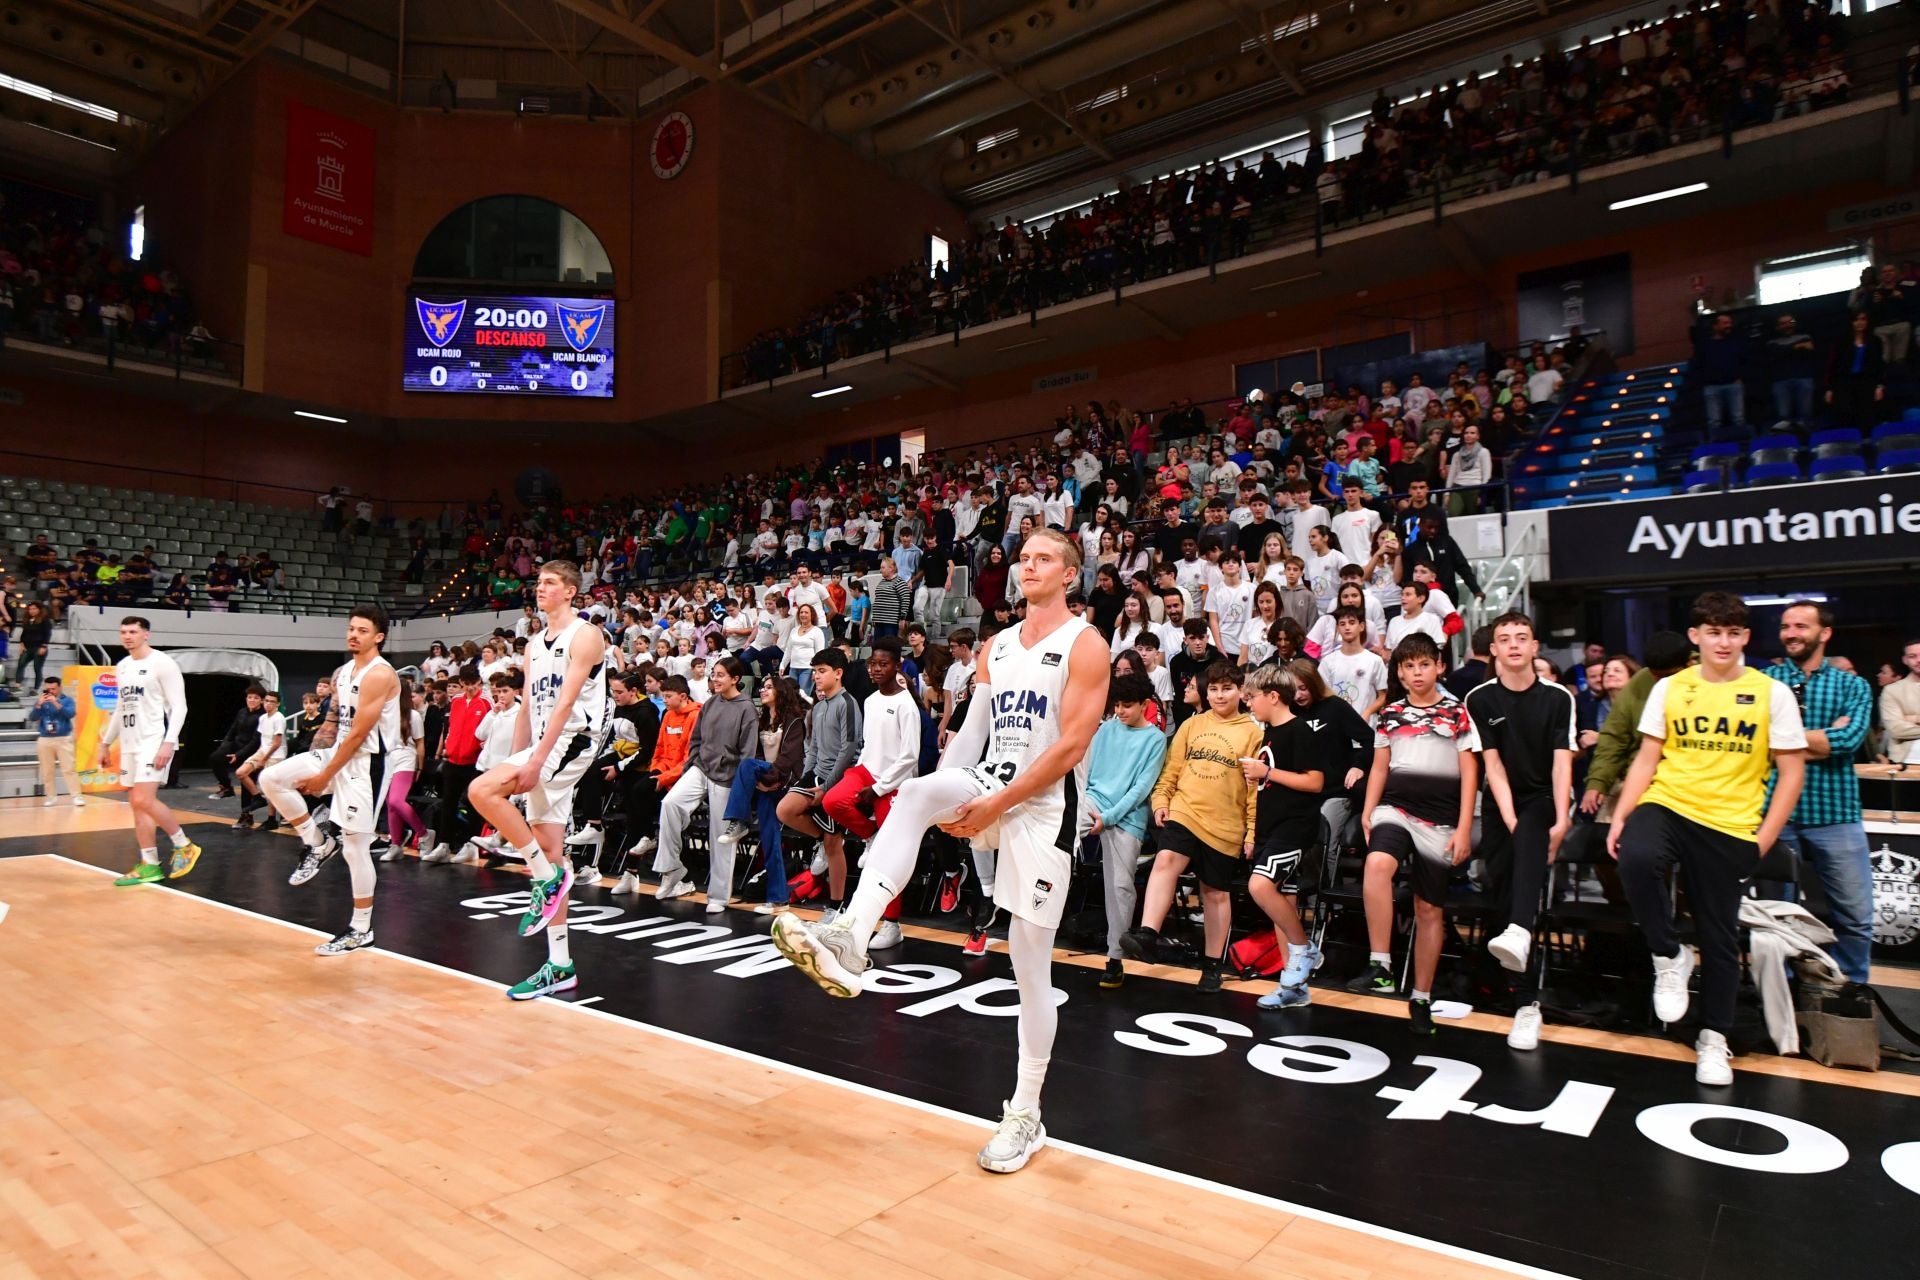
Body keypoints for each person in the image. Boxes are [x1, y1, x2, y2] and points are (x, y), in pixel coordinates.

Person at [772, 528, 1109, 1176]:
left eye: (1043, 558)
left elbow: (1069, 749)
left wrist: (995, 805)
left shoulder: (1084, 644)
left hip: (1045, 808)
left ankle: (1026, 1113)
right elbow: (967, 739)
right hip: (992, 783)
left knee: (1030, 967)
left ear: (1068, 573)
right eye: (1025, 556)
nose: (1028, 565)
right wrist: (943, 799)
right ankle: (851, 935)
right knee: (918, 790)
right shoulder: (999, 646)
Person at [1609, 592, 1806, 1086]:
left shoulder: (1772, 693)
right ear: (1695, 637)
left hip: (1730, 824)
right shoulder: (1672, 688)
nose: (1724, 641)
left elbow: (1792, 772)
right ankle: (1667, 953)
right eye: (1713, 632)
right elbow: (1648, 757)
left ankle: (1713, 1039)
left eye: (1733, 632)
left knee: (1719, 938)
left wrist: (1763, 839)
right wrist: (1622, 814)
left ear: (1745, 637)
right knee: (1634, 857)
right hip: (1670, 804)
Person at [464, 563, 610, 997]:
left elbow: (566, 704)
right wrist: (519, 758)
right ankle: (560, 964)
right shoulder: (531, 644)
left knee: (481, 789)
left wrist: (534, 762)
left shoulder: (585, 634)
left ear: (569, 591)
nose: (539, 588)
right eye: (538, 582)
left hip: (575, 739)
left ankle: (545, 879)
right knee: (549, 849)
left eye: (549, 583)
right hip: (546, 743)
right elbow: (529, 708)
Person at [1346, 633, 1479, 1037]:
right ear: (1399, 673)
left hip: (1441, 822)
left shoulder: (1458, 713)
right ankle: (1381, 963)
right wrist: (1369, 811)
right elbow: (1381, 768)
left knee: (1429, 910)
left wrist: (1464, 827)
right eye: (1408, 666)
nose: (1416, 672)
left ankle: (1421, 996)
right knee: (1377, 864)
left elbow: (1471, 773)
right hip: (1396, 810)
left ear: (1439, 666)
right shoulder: (1389, 714)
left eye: (1424, 664)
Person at [1463, 612, 1576, 1051]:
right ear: (1492, 650)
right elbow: (1492, 765)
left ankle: (1528, 1004)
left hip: (1543, 798)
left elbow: (1561, 762)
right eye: (1504, 639)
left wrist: (1563, 818)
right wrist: (1508, 819)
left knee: (1532, 829)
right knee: (1504, 896)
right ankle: (1522, 994)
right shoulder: (1480, 698)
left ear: (1534, 647)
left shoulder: (1557, 698)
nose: (1512, 645)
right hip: (1500, 804)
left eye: (1521, 638)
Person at [258, 607, 400, 955]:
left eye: (362, 631)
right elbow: (336, 724)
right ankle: (318, 842)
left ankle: (361, 929)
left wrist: (324, 775)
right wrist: (313, 757)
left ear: (378, 637)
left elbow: (359, 736)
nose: (353, 635)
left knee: (355, 848)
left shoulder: (380, 675)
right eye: (351, 628)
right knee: (273, 778)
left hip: (368, 765)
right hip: (338, 753)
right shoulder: (344, 672)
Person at [1121, 661, 1264, 991]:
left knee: (1214, 894)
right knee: (1165, 860)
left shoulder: (1254, 734)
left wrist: (1252, 830)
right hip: (1184, 811)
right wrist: (1161, 802)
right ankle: (1147, 934)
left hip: (1226, 823)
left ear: (1242, 692)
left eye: (1226, 688)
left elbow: (1256, 790)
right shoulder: (1191, 725)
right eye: (1213, 689)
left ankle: (1213, 964)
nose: (1219, 695)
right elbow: (1170, 771)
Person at [1763, 603, 1875, 985]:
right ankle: (1783, 997)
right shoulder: (1765, 683)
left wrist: (1785, 742)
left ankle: (1849, 993)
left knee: (1855, 917)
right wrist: (1822, 738)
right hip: (1777, 816)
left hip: (1837, 816)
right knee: (1775, 918)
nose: (1790, 632)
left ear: (1824, 633)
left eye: (1800, 626)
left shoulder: (1852, 685)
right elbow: (1756, 741)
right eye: (1785, 626)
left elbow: (1849, 739)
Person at [817, 637, 921, 943]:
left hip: (896, 783)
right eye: (872, 663)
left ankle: (892, 924)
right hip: (868, 771)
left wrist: (877, 789)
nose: (875, 669)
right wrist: (864, 777)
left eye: (883, 664)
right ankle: (870, 835)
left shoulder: (907, 705)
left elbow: (909, 758)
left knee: (889, 858)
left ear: (896, 666)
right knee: (833, 800)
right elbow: (870, 746)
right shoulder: (871, 700)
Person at [1239, 664, 1327, 1009]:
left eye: (1252, 697)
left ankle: (1305, 949)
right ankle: (1294, 988)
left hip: (1294, 827)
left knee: (1259, 887)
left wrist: (1267, 772)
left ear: (1273, 697)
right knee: (1281, 906)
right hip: (1271, 827)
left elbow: (1315, 782)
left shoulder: (1300, 730)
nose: (1249, 704)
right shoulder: (1270, 733)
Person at [99, 617, 202, 886]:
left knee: (144, 800)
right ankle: (149, 864)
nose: (127, 636)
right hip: (130, 744)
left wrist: (169, 742)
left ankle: (184, 844)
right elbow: (121, 708)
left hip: (153, 741)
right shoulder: (122, 666)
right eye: (123, 632)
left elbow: (179, 707)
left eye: (133, 631)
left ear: (146, 634)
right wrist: (105, 742)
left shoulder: (163, 663)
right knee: (136, 804)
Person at [1083, 670, 1169, 990]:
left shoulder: (1156, 739)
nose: (1120, 710)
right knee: (1053, 839)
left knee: (1120, 887)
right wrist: (1086, 804)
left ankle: (1115, 959)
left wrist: (1109, 817)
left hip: (1127, 816)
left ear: (1145, 705)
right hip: (1091, 802)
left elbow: (1141, 790)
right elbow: (1087, 772)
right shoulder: (1105, 729)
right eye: (1117, 704)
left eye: (1127, 705)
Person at [653, 653, 758, 912]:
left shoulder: (747, 709)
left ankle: (719, 896)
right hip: (701, 768)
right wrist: (692, 764)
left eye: (721, 675)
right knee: (670, 804)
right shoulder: (710, 703)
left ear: (736, 678)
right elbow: (696, 739)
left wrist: (740, 788)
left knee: (721, 836)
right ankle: (672, 869)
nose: (715, 679)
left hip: (728, 776)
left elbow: (748, 753)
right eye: (714, 675)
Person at [774, 650, 864, 909]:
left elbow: (849, 749)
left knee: (833, 842)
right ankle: (819, 843)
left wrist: (827, 786)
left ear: (838, 673)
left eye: (822, 671)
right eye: (814, 671)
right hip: (816, 773)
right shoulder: (819, 707)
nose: (816, 676)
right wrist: (805, 778)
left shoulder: (847, 703)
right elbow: (812, 747)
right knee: (785, 809)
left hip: (840, 778)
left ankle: (836, 905)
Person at [716, 675, 809, 913]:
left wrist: (772, 781)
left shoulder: (794, 720)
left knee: (746, 766)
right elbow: (756, 753)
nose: (763, 690)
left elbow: (790, 759)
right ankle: (778, 899)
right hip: (767, 781)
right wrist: (762, 783)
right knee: (770, 841)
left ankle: (739, 821)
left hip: (785, 783)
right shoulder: (763, 719)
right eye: (763, 687)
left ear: (781, 692)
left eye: (769, 687)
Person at [423, 666, 487, 862]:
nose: (469, 689)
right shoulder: (457, 701)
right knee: (447, 803)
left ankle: (470, 845)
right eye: (465, 685)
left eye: (473, 685)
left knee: (473, 805)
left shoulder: (486, 703)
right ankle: (444, 844)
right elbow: (450, 728)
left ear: (479, 683)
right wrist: (447, 748)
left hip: (473, 762)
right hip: (453, 759)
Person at [233, 690, 287, 830]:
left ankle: (271, 818)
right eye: (267, 701)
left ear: (277, 704)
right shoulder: (263, 718)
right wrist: (259, 756)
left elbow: (276, 743)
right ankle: (257, 797)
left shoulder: (278, 718)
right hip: (263, 751)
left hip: (275, 755)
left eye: (272, 702)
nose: (268, 704)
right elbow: (264, 741)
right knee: (241, 772)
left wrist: (264, 759)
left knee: (271, 787)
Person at [33, 675, 85, 807]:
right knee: (47, 770)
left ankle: (76, 796)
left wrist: (55, 702)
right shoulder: (41, 701)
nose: (50, 691)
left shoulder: (67, 700)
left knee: (69, 768)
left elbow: (70, 714)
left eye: (53, 689)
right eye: (48, 689)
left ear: (60, 687)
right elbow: (32, 717)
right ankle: (50, 796)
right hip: (45, 739)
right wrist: (39, 705)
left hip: (63, 738)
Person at [207, 686, 265, 801]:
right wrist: (224, 746)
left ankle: (247, 813)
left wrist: (239, 755)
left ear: (261, 700)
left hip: (251, 750)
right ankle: (226, 787)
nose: (252, 700)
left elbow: (255, 740)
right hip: (236, 745)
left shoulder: (262, 716)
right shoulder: (242, 712)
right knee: (215, 758)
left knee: (246, 784)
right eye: (249, 697)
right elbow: (232, 731)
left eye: (256, 698)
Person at [1885, 638, 1920, 764]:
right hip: (1906, 761)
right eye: (1912, 656)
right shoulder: (1892, 690)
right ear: (1905, 660)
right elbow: (1895, 729)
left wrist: (1912, 718)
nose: (1919, 660)